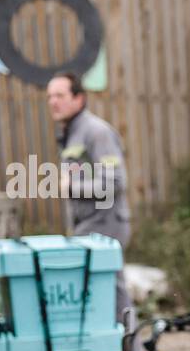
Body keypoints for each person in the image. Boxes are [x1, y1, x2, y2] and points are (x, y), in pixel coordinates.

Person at [45, 71, 131, 320]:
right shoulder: (71, 132)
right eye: (50, 96)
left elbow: (114, 182)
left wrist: (70, 187)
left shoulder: (96, 132)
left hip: (106, 225)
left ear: (79, 99)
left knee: (114, 291)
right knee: (100, 292)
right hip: (87, 224)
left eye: (60, 95)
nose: (53, 102)